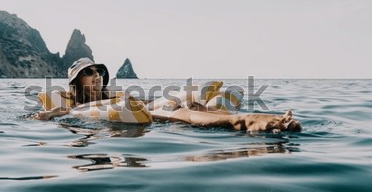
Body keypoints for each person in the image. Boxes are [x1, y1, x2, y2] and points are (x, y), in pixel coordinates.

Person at [34, 58, 301, 132]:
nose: (96, 75)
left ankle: (253, 122)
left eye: (98, 71)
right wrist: (46, 115)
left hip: (141, 114)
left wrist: (182, 99)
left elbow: (143, 103)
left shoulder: (115, 94)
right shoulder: (72, 104)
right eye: (88, 72)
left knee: (186, 104)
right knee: (176, 113)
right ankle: (245, 121)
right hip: (124, 125)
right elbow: (51, 114)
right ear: (76, 81)